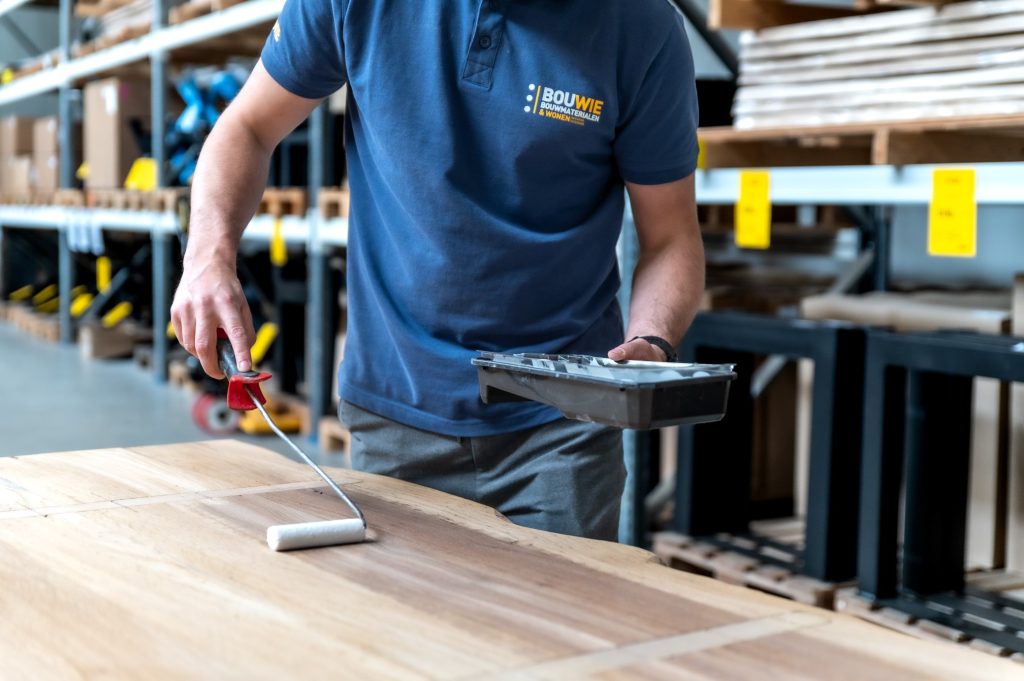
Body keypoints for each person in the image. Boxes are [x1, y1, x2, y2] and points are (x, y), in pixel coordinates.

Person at [171, 0, 705, 542]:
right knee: (402, 620)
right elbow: (248, 127)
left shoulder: (641, 26)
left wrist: (651, 341)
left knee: (560, 622)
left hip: (563, 428)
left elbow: (670, 237)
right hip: (393, 413)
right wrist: (207, 256)